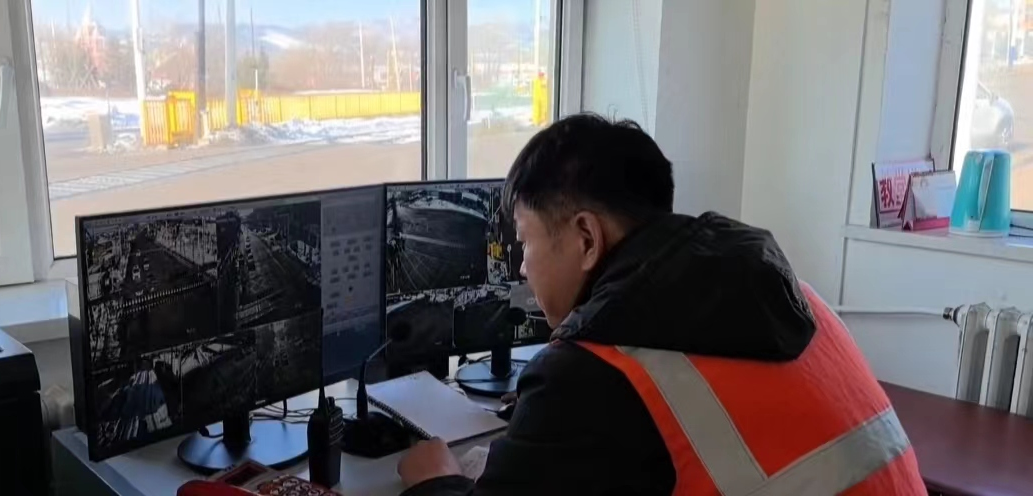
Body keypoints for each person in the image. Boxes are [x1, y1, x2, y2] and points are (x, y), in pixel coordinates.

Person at [396, 113, 926, 496]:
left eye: (525, 241)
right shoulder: (799, 300)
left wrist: (436, 482)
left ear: (586, 239)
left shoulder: (593, 374)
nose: (521, 268)